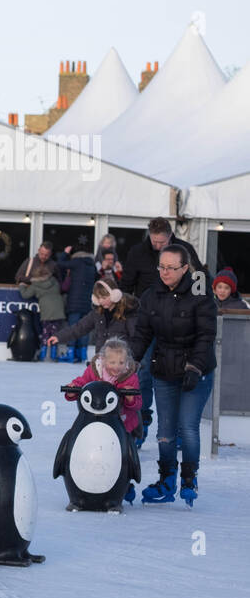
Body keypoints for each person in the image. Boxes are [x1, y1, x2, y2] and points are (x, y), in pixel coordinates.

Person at [129, 245, 216, 506]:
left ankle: (189, 479)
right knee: (165, 431)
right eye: (161, 267)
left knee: (187, 427)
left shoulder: (200, 295)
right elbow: (143, 333)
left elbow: (206, 336)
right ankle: (167, 479)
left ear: (185, 269)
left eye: (171, 268)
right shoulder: (151, 295)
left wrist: (195, 367)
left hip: (196, 371)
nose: (164, 272)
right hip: (164, 368)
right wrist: (131, 361)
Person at [120, 217, 205, 442]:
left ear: (170, 235)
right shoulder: (138, 252)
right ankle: (141, 423)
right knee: (144, 374)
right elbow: (127, 284)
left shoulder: (184, 250)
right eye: (155, 241)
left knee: (177, 375)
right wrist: (124, 307)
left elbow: (200, 279)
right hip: (148, 320)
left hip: (181, 322)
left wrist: (205, 302)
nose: (158, 246)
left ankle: (175, 429)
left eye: (162, 241)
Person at [64, 337, 143, 468]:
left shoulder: (130, 377)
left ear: (127, 361)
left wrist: (130, 398)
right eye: (112, 362)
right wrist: (73, 389)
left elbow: (138, 403)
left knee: (122, 457)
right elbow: (82, 382)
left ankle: (127, 481)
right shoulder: (94, 371)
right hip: (95, 420)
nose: (117, 367)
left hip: (123, 423)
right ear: (103, 360)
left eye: (121, 362)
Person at [47, 278, 140, 359]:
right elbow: (79, 327)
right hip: (102, 359)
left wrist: (132, 359)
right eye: (98, 298)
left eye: (104, 297)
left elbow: (136, 338)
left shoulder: (127, 313)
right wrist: (59, 336)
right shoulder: (97, 313)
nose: (101, 301)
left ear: (115, 294)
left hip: (120, 361)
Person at [17, 242, 66, 360]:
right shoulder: (30, 262)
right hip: (58, 310)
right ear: (38, 250)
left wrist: (25, 284)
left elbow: (25, 293)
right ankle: (53, 355)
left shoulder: (53, 266)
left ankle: (44, 355)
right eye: (42, 253)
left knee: (45, 333)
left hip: (46, 311)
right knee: (55, 333)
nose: (43, 256)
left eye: (46, 255)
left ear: (50, 254)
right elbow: (19, 276)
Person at [56, 240, 98, 362]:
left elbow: (60, 263)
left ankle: (70, 353)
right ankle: (82, 354)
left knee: (74, 327)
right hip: (87, 302)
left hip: (74, 301)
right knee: (85, 328)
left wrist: (65, 253)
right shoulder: (92, 265)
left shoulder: (76, 262)